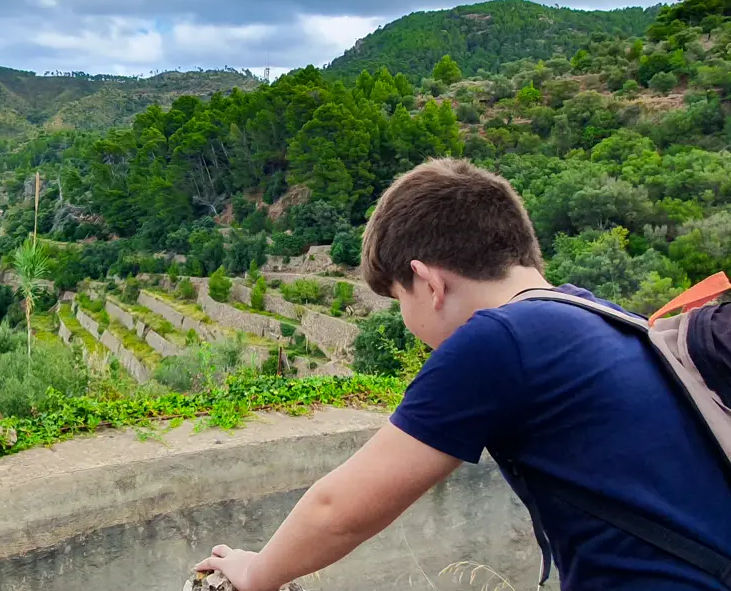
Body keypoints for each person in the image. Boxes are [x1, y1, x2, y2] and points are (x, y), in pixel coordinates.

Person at [195, 159, 731, 590]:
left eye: (398, 301)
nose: (408, 323)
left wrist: (257, 571)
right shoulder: (595, 316)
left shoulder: (500, 341)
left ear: (428, 283)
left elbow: (341, 508)